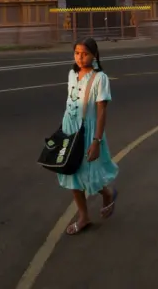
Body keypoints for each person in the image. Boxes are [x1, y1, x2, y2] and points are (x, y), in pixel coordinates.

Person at [58, 37, 119, 235]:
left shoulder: (100, 79)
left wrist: (96, 141)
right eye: (77, 53)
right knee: (72, 174)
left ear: (94, 55)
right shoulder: (71, 74)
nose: (80, 58)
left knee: (90, 176)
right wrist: (62, 131)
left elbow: (101, 111)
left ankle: (107, 193)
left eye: (85, 54)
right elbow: (70, 104)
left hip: (88, 133)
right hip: (70, 130)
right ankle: (83, 216)